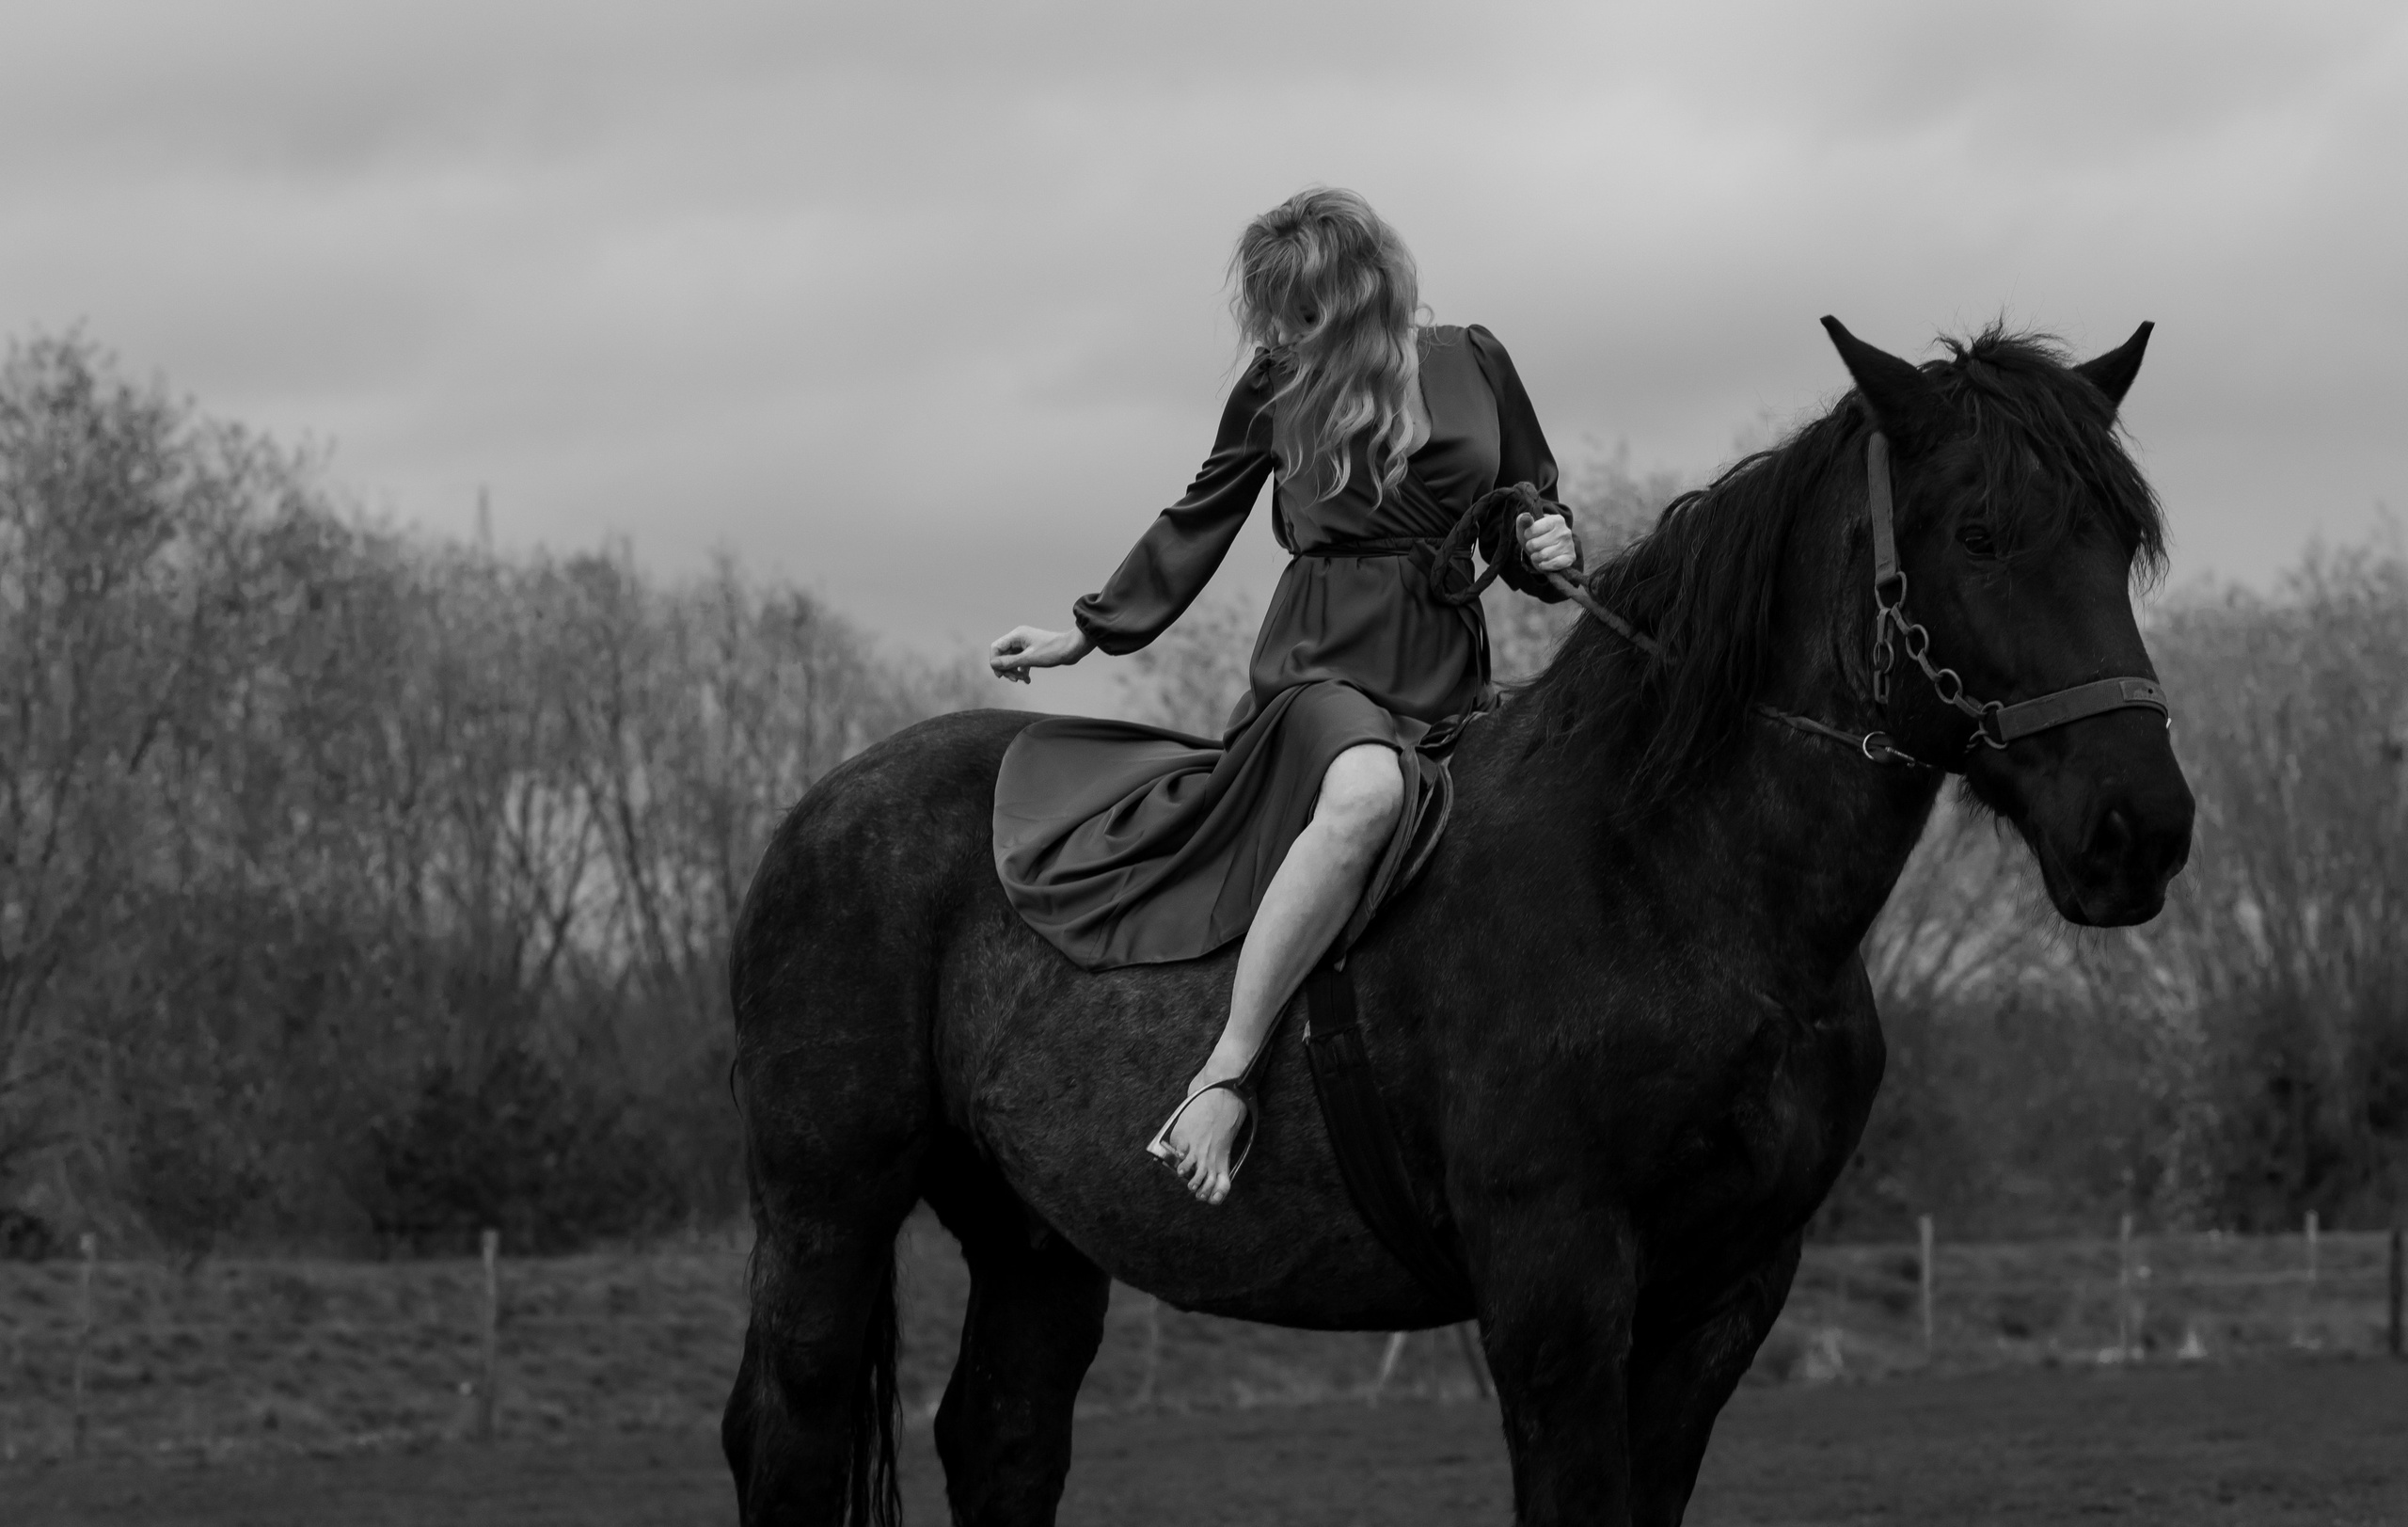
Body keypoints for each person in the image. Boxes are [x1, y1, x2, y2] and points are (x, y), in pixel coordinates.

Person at [989, 187, 1579, 1205]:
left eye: (1308, 309)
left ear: (1364, 286)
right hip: (1320, 665)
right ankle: (1224, 1074)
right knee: (1364, 799)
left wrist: (1548, 543)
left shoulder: (1474, 358)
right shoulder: (1276, 385)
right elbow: (1201, 511)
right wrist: (1087, 630)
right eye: (1279, 316)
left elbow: (1524, 508)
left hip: (1446, 665)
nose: (1290, 333)